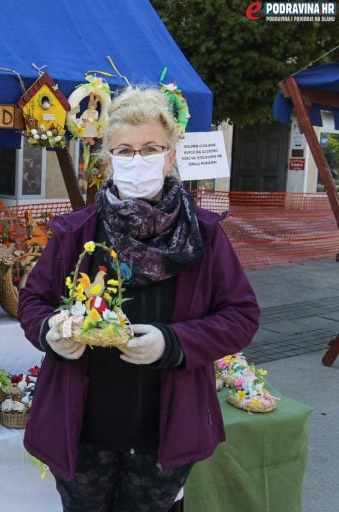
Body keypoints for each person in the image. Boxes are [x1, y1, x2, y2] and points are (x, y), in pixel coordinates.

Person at [17, 87, 260, 512]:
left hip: (164, 430)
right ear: (108, 160)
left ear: (170, 156)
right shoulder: (77, 233)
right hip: (83, 426)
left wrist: (174, 343)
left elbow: (241, 316)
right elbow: (33, 300)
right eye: (124, 151)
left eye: (150, 148)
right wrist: (48, 332)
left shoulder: (203, 235)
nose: (137, 159)